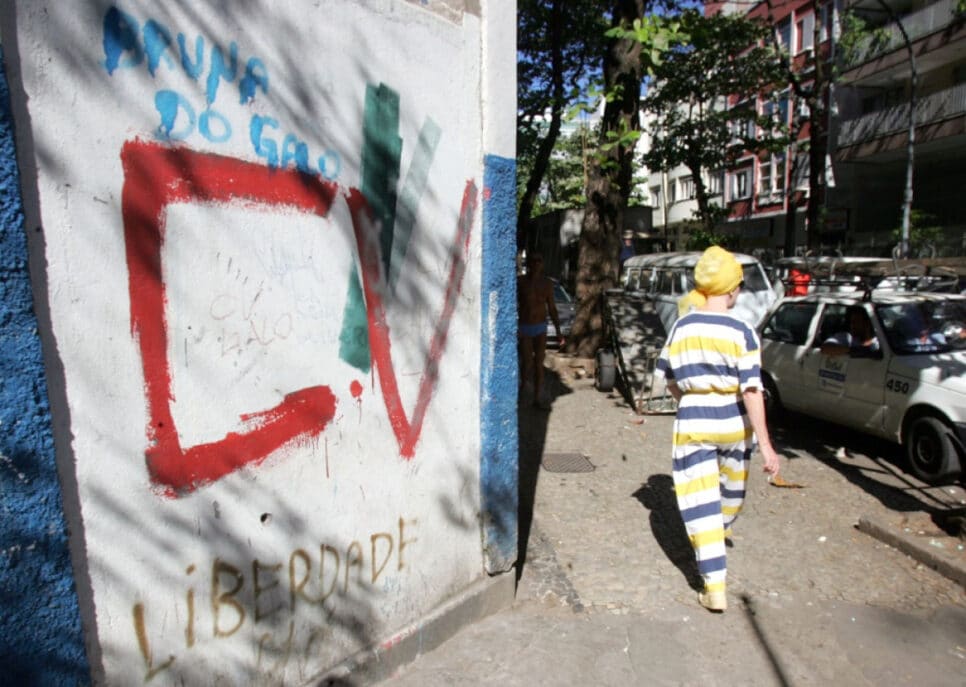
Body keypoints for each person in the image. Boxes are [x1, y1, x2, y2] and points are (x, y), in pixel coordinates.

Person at [654, 245, 781, 613]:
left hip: (694, 419)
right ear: (731, 290)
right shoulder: (743, 331)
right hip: (734, 420)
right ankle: (721, 528)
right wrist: (767, 445)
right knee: (730, 493)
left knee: (701, 501)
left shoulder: (682, 326)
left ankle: (714, 586)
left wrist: (689, 400)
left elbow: (666, 378)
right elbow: (752, 391)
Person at [518, 252, 562, 410]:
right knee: (527, 362)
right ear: (529, 264)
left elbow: (552, 308)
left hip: (540, 327)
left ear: (542, 264)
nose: (536, 263)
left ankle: (536, 397)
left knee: (538, 363)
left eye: (539, 261)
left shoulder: (547, 284)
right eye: (534, 260)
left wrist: (558, 330)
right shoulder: (521, 282)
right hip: (524, 327)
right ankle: (522, 388)